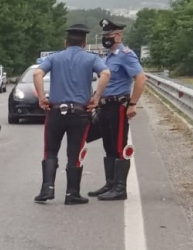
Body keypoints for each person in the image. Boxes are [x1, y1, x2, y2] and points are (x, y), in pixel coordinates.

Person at [34, 24, 111, 205]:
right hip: (79, 113)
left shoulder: (54, 58)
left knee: (50, 150)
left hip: (55, 112)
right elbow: (106, 73)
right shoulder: (90, 58)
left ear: (65, 42)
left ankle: (47, 189)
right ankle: (72, 193)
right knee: (74, 153)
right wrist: (96, 97)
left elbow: (37, 73)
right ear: (84, 43)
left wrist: (42, 97)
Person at [87, 19, 147, 200]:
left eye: (109, 35)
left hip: (118, 106)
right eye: (104, 35)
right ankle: (110, 183)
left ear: (119, 35)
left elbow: (141, 78)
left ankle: (120, 188)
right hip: (105, 106)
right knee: (108, 146)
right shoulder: (107, 57)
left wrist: (133, 103)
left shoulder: (126, 55)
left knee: (119, 146)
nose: (106, 38)